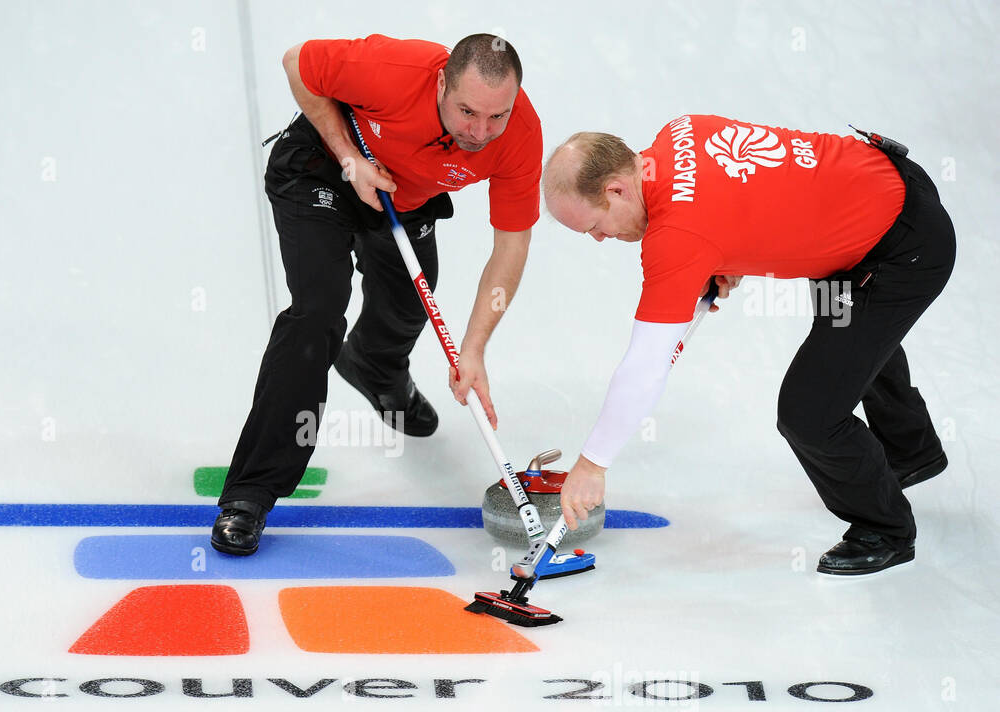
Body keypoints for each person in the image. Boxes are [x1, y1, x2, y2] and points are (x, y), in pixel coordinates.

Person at [541, 116, 954, 575]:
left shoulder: (676, 239)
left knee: (809, 412)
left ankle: (887, 530)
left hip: (901, 253)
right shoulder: (679, 131)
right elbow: (752, 190)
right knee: (852, 339)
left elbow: (645, 365)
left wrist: (591, 464)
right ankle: (911, 451)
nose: (600, 239)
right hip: (888, 190)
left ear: (616, 189)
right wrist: (728, 250)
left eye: (594, 226)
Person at [211, 33, 543, 555]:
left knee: (410, 301)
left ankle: (373, 366)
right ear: (441, 83)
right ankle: (251, 492)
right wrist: (349, 157)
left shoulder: (519, 134)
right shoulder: (392, 68)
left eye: (496, 116)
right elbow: (297, 63)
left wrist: (474, 348)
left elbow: (512, 245)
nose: (481, 132)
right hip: (325, 170)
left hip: (402, 194)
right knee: (318, 314)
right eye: (467, 112)